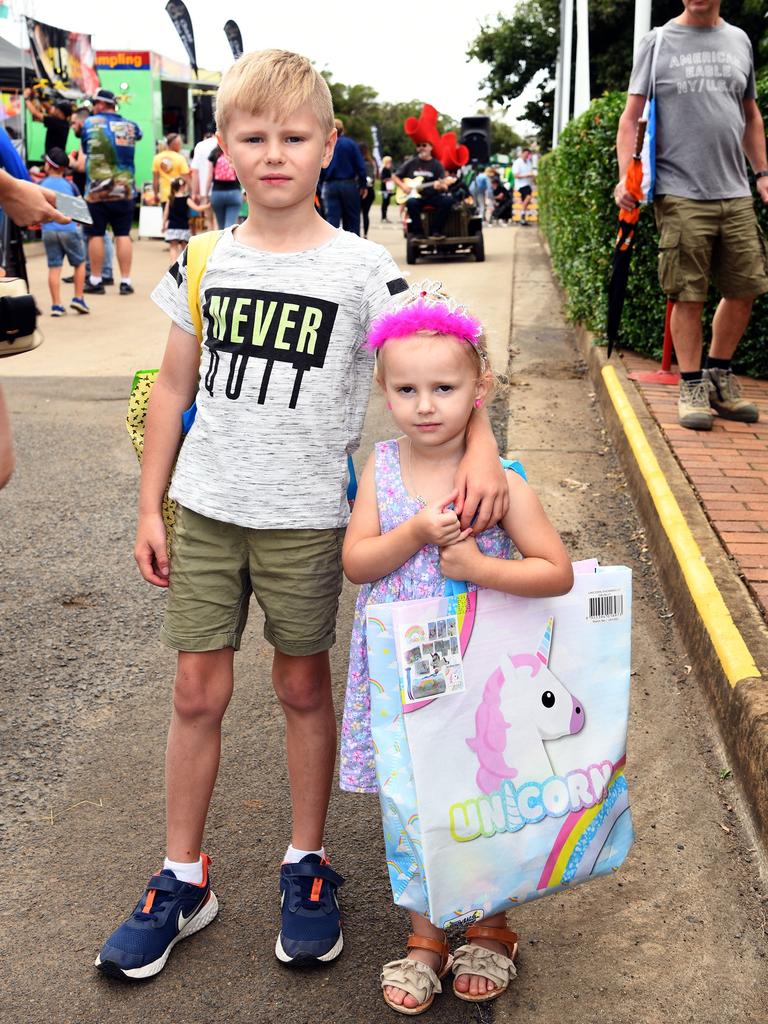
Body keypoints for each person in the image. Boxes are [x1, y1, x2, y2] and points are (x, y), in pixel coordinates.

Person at [93, 46, 513, 983]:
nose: (273, 152)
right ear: (225, 149)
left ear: (328, 147)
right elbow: (171, 387)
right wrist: (149, 505)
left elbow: (445, 357)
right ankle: (181, 876)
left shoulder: (365, 270)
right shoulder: (204, 257)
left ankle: (307, 862)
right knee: (196, 692)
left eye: (294, 136)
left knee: (301, 688)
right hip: (204, 511)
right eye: (253, 136)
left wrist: (479, 445)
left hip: (307, 523)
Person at [339, 281, 574, 1014]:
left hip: (479, 677)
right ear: (384, 389)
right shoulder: (382, 468)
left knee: (482, 794)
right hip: (402, 674)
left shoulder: (499, 484)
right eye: (406, 389)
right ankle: (425, 935)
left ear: (481, 386)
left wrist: (478, 569)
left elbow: (556, 572)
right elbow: (357, 562)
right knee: (413, 801)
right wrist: (411, 534)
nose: (426, 404)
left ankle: (493, 928)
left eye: (444, 386)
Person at [616, 0, 768, 431]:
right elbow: (631, 118)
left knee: (746, 287)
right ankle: (690, 384)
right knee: (687, 294)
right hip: (679, 190)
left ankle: (719, 374)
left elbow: (750, 115)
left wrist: (762, 173)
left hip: (735, 189)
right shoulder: (658, 41)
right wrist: (625, 177)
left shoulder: (739, 40)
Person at [80, 89, 142, 296]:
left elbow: (85, 149)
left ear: (100, 104)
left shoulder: (89, 124)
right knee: (123, 234)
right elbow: (139, 134)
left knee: (95, 234)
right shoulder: (130, 125)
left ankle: (95, 280)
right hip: (124, 189)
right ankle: (125, 281)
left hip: (96, 190)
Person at [38, 148, 89, 316]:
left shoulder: (41, 185)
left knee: (54, 267)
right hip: (69, 229)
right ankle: (78, 298)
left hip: (49, 231)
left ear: (48, 165)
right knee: (79, 263)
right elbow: (80, 209)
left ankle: (56, 305)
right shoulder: (70, 185)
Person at [392, 141, 453, 239]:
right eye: (418, 145)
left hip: (433, 196)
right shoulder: (411, 163)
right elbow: (395, 176)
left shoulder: (437, 165)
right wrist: (403, 186)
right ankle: (418, 233)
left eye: (424, 145)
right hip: (417, 197)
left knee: (448, 201)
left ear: (431, 147)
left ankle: (436, 230)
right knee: (411, 203)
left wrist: (441, 186)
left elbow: (444, 184)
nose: (421, 147)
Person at [320, 117, 367, 234]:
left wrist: (320, 185)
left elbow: (320, 167)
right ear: (343, 129)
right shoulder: (351, 144)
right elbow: (360, 166)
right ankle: (352, 249)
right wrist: (363, 185)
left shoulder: (325, 145)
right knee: (352, 220)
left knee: (332, 220)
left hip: (330, 185)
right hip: (349, 184)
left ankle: (331, 248)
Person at [162, 175, 209, 263]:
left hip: (172, 227)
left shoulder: (170, 199)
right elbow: (197, 208)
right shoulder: (186, 199)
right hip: (183, 227)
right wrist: (208, 205)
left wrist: (163, 224)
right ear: (182, 186)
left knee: (173, 247)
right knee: (184, 247)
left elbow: (165, 213)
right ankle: (184, 266)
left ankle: (173, 265)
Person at [23, 89, 72, 156]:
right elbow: (49, 108)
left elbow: (35, 113)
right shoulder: (64, 123)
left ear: (60, 112)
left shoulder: (56, 123)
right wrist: (38, 96)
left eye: (55, 108)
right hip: (57, 155)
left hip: (53, 157)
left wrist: (26, 98)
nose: (53, 109)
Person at [206, 141, 242, 229]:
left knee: (221, 226)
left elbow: (210, 175)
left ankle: (223, 241)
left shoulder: (214, 153)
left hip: (217, 193)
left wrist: (205, 194)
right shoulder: (234, 153)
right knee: (230, 224)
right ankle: (228, 241)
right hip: (234, 192)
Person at [190, 125, 219, 229]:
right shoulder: (224, 143)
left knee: (209, 220)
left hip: (204, 190)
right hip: (222, 187)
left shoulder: (200, 146)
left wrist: (194, 192)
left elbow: (195, 171)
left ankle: (211, 244)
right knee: (218, 221)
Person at [153, 132, 191, 205]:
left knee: (166, 215)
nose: (181, 146)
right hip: (179, 195)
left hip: (164, 195)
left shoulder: (157, 158)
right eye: (180, 143)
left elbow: (155, 180)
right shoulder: (180, 158)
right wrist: (191, 193)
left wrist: (155, 194)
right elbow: (187, 178)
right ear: (175, 144)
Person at [511, 148, 535, 225]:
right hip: (521, 185)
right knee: (528, 198)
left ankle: (523, 215)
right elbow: (516, 175)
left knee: (527, 200)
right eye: (525, 154)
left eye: (528, 154)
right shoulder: (517, 163)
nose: (526, 155)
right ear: (522, 153)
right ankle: (522, 214)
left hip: (528, 184)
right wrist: (527, 175)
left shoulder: (528, 162)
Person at [359, 141, 376, 238]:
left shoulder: (362, 163)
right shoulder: (371, 162)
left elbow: (368, 178)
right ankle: (365, 234)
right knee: (365, 214)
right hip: (370, 191)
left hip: (363, 190)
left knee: (358, 213)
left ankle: (358, 233)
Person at [380, 155, 394, 222]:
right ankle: (383, 218)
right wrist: (391, 179)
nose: (391, 163)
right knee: (384, 203)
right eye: (389, 162)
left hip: (389, 189)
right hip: (384, 190)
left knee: (387, 203)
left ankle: (385, 217)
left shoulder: (388, 170)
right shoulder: (384, 169)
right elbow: (383, 179)